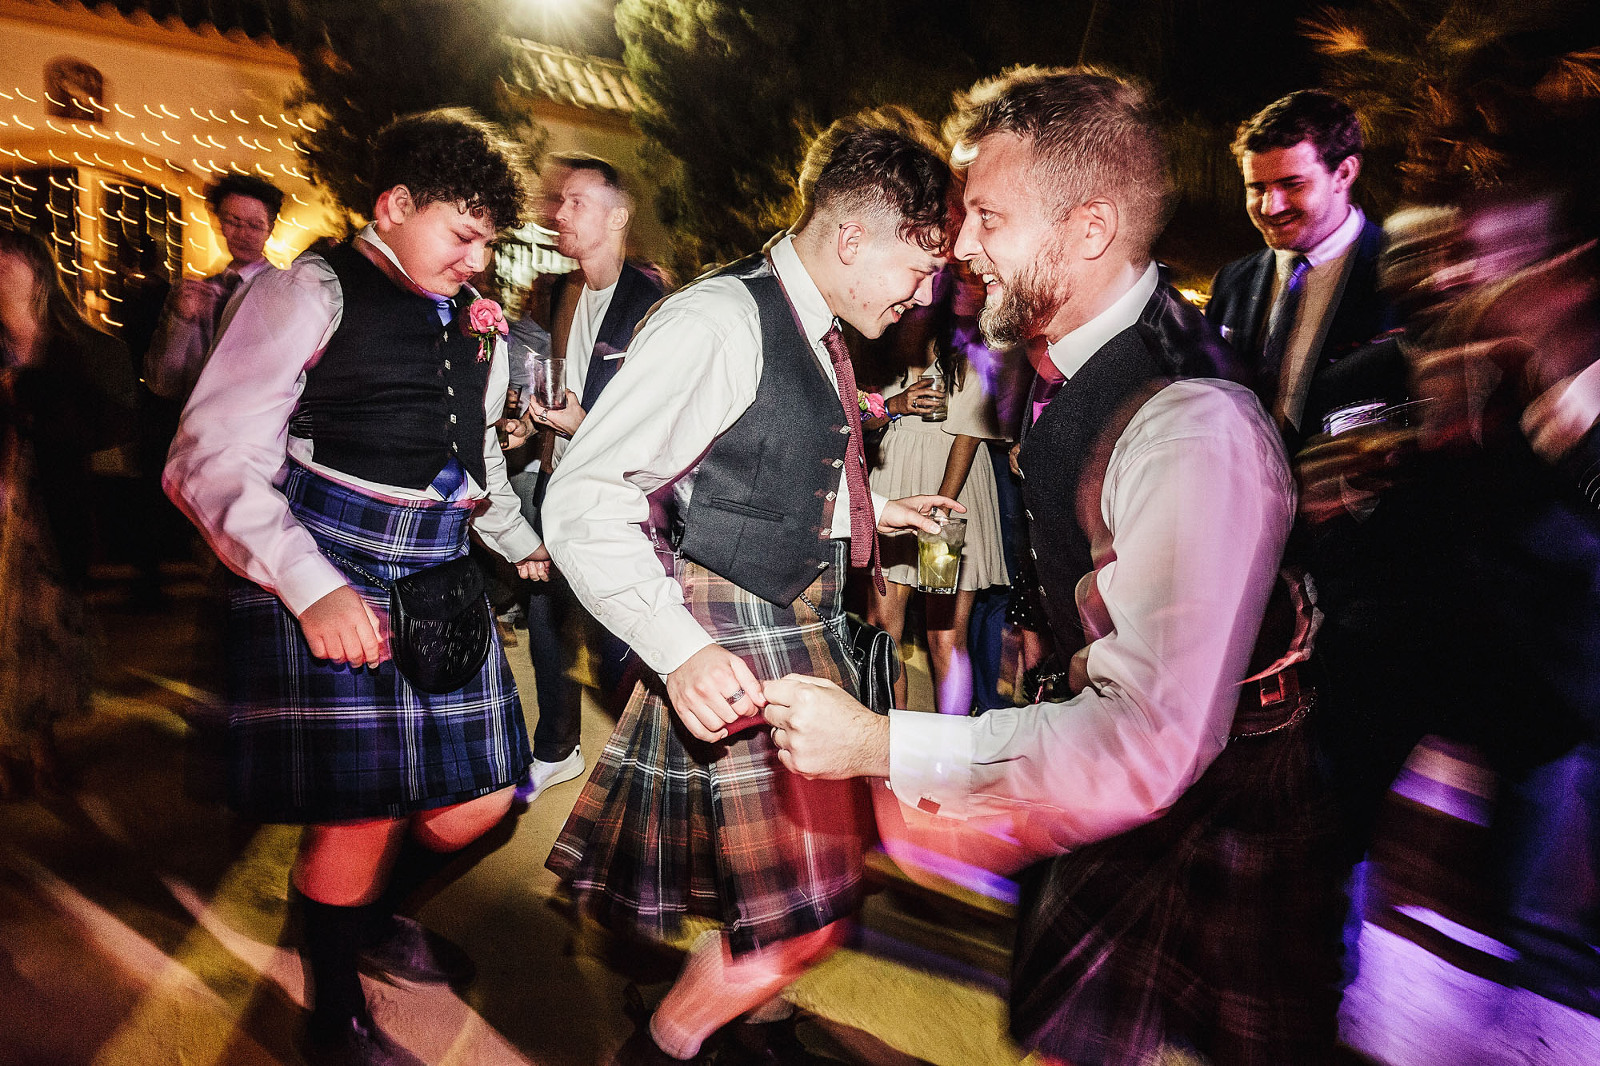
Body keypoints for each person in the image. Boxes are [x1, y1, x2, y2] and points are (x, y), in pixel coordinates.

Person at [762, 68, 1347, 1065]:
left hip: (1222, 787)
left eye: (987, 216)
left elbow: (1147, 742)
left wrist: (885, 744)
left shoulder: (1191, 423)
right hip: (1131, 767)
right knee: (1062, 1025)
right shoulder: (1058, 353)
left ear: (1088, 229)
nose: (959, 245)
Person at [541, 108, 961, 1064]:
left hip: (790, 613)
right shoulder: (719, 319)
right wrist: (681, 648)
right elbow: (586, 497)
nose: (924, 292)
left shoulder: (815, 314)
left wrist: (870, 516)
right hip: (740, 626)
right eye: (919, 266)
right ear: (852, 237)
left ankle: (747, 1022)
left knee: (786, 894)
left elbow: (748, 475)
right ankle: (664, 1048)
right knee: (806, 909)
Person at [164, 109, 549, 1066]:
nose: (475, 260)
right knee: (364, 811)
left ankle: (360, 919)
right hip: (333, 556)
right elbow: (206, 459)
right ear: (394, 206)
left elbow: (468, 465)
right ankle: (331, 1012)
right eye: (463, 235)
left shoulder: (469, 318)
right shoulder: (309, 290)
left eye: (487, 242)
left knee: (482, 802)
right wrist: (309, 587)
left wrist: (525, 543)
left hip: (441, 567)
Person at [500, 154, 666, 805]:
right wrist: (529, 432)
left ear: (616, 216)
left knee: (618, 642)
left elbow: (658, 427)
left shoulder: (652, 306)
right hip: (556, 486)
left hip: (620, 504)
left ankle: (649, 775)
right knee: (545, 623)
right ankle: (557, 748)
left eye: (576, 202)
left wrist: (582, 424)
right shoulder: (565, 293)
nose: (558, 214)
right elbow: (556, 387)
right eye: (559, 201)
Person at [0, 227, 136, 796]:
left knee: (42, 635)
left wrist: (26, 394)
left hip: (45, 513)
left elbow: (108, 426)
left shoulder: (76, 349)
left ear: (38, 274)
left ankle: (39, 739)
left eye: (9, 269)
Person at [1206, 90, 1400, 448]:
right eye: (1256, 188)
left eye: (1291, 184)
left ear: (1344, 173)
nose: (1270, 206)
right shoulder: (1233, 282)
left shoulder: (1400, 273)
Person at [865, 265, 1010, 715]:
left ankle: (949, 759)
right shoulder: (882, 339)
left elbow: (967, 441)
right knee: (882, 628)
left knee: (944, 635)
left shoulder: (971, 348)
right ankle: (891, 748)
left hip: (950, 494)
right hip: (892, 485)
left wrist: (939, 514)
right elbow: (860, 419)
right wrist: (895, 406)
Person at [144, 172, 284, 405]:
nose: (243, 234)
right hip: (200, 432)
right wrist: (182, 321)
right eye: (233, 221)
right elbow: (162, 383)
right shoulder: (193, 293)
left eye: (255, 225)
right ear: (218, 222)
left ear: (270, 229)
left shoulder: (285, 291)